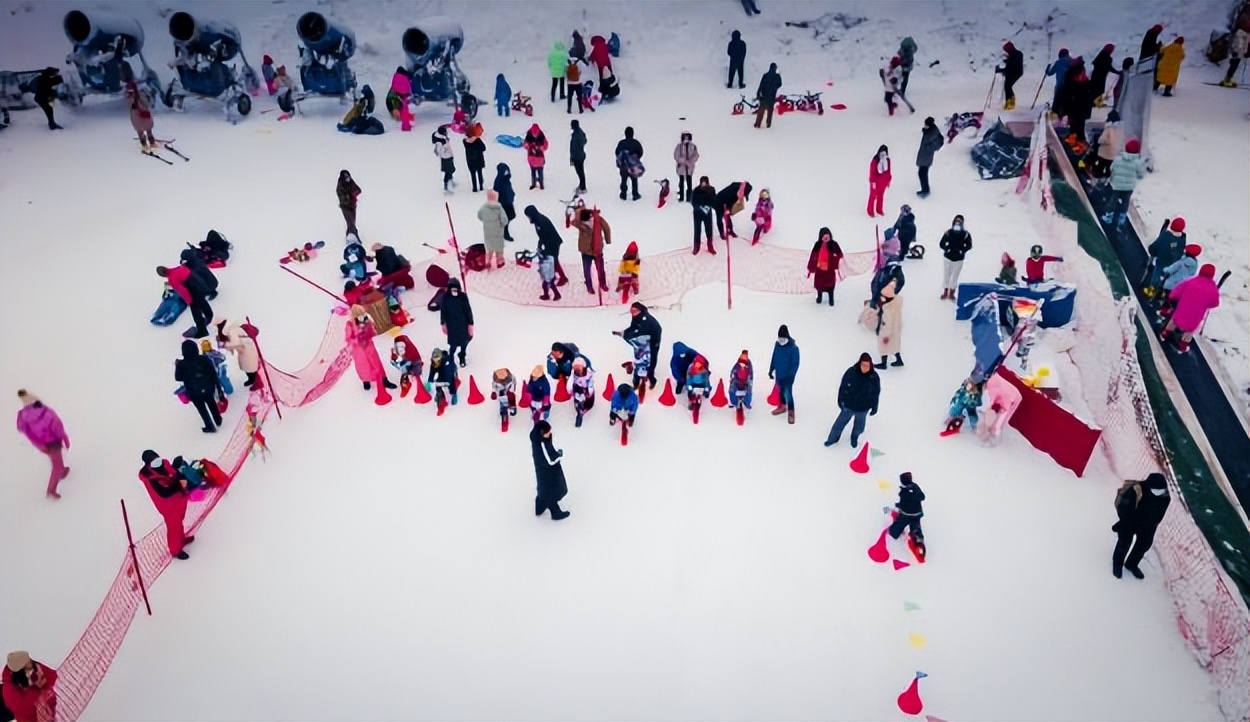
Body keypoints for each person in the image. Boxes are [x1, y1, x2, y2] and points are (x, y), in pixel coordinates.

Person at [1112, 472, 1170, 578]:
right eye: (1156, 489)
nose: (1159, 492)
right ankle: (1117, 563)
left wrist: (1151, 526)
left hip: (1148, 526)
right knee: (1124, 542)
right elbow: (1124, 510)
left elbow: (1159, 515)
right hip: (1130, 521)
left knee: (1144, 545)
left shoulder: (1165, 497)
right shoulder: (1135, 491)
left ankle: (1132, 564)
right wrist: (1124, 523)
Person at [138, 450, 194, 560]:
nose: (158, 463)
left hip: (178, 499)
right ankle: (176, 550)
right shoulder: (149, 477)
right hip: (167, 505)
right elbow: (163, 492)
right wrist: (179, 485)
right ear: (148, 465)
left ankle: (181, 539)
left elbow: (175, 473)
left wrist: (181, 477)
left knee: (179, 520)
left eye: (157, 460)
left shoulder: (165, 464)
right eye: (154, 463)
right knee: (173, 526)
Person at [15, 390, 70, 499]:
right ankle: (51, 490)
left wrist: (39, 445)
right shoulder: (48, 413)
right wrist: (65, 438)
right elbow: (57, 428)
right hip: (54, 441)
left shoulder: (23, 416)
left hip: (42, 444)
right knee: (56, 466)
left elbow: (25, 431)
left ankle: (62, 470)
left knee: (55, 458)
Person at [824, 353, 881, 447]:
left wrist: (875, 406)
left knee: (859, 426)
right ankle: (833, 439)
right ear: (859, 364)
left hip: (863, 408)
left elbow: (876, 392)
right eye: (863, 365)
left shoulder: (874, 377)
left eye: (867, 365)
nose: (865, 368)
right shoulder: (851, 372)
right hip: (849, 406)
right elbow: (843, 387)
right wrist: (841, 401)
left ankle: (854, 437)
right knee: (839, 424)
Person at [1161, 264, 1220, 352]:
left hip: (1182, 310)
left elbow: (1177, 291)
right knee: (1189, 331)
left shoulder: (1191, 281)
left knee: (1174, 321)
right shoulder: (1213, 289)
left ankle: (1165, 333)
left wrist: (1172, 296)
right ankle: (1183, 344)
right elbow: (1215, 303)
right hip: (1196, 316)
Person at [175, 339, 224, 433]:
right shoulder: (204, 358)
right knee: (212, 403)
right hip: (208, 386)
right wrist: (217, 385)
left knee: (202, 409)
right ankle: (218, 419)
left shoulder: (182, 364)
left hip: (194, 391)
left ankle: (209, 425)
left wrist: (177, 366)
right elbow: (212, 372)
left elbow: (178, 378)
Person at [346, 305, 395, 399]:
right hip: (359, 350)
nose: (362, 316)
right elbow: (349, 339)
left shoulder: (366, 321)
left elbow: (373, 332)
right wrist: (358, 339)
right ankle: (365, 380)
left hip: (369, 346)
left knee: (376, 363)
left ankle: (384, 380)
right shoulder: (350, 324)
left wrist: (370, 327)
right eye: (360, 315)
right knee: (363, 366)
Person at [157, 263, 213, 338]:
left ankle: (202, 331)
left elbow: (183, 291)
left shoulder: (172, 279)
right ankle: (209, 314)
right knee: (201, 300)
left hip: (192, 289)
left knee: (195, 310)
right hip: (199, 284)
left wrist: (189, 301)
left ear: (163, 275)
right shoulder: (179, 268)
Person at [615, 302, 663, 388]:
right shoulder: (636, 317)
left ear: (640, 310)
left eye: (634, 311)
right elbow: (633, 327)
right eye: (631, 310)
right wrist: (625, 332)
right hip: (641, 345)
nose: (632, 313)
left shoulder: (647, 321)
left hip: (652, 343)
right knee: (638, 363)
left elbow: (641, 333)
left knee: (651, 362)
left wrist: (625, 336)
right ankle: (636, 383)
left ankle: (652, 380)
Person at [530, 421, 570, 520]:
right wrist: (558, 455)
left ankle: (539, 508)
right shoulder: (542, 444)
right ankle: (556, 513)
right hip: (549, 473)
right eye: (548, 432)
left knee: (543, 491)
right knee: (551, 493)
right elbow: (550, 460)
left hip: (542, 471)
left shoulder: (536, 440)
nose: (550, 433)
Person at [3, 650, 58, 722]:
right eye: (27, 666)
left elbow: (53, 676)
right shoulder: (9, 688)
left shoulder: (36, 668)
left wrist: (43, 679)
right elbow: (23, 710)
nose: (31, 665)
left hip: (49, 715)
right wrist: (36, 690)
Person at [1102, 138, 1146, 227]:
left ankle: (1108, 216)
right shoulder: (1138, 163)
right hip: (1129, 187)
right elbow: (1141, 174)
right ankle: (1121, 218)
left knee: (1113, 200)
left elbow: (1112, 168)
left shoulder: (1118, 159)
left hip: (1116, 185)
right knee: (1125, 201)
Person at [524, 205, 570, 289]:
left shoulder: (541, 222)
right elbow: (542, 236)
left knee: (554, 260)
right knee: (551, 259)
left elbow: (545, 236)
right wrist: (540, 245)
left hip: (553, 243)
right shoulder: (538, 221)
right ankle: (553, 274)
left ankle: (563, 277)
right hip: (549, 243)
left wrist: (543, 247)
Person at [573, 207, 612, 294]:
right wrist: (579, 211)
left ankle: (601, 284)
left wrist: (608, 239)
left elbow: (606, 228)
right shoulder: (581, 223)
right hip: (586, 251)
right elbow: (573, 222)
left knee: (598, 269)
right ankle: (590, 285)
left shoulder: (597, 220)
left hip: (596, 250)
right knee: (588, 270)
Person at [1144, 217, 1186, 297]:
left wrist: (1153, 251)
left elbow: (1155, 246)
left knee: (1156, 275)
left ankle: (1151, 291)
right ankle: (1162, 290)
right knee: (1167, 276)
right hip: (1174, 262)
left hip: (1162, 260)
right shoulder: (1182, 239)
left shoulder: (1166, 236)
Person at [768, 324, 800, 423]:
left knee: (788, 393)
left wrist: (791, 376)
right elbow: (774, 357)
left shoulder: (794, 349)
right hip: (779, 374)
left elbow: (795, 364)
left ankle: (791, 411)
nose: (781, 341)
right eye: (779, 339)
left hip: (788, 377)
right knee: (781, 391)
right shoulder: (777, 345)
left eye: (783, 339)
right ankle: (782, 406)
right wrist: (771, 369)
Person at [872, 274, 905, 368]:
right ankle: (899, 359)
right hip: (896, 327)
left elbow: (887, 324)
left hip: (888, 331)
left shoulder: (888, 309)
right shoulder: (897, 301)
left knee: (884, 346)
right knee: (895, 345)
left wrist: (885, 335)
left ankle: (883, 363)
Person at [440, 278, 474, 367]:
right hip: (451, 325)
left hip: (463, 324)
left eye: (456, 289)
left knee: (464, 342)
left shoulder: (463, 297)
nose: (454, 291)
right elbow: (443, 311)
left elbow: (468, 311)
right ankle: (450, 356)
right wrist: (443, 323)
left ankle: (462, 356)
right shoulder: (446, 298)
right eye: (452, 289)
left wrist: (470, 324)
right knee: (453, 344)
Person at [887, 472, 925, 551]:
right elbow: (922, 497)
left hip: (906, 514)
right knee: (916, 527)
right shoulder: (915, 487)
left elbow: (903, 504)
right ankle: (918, 540)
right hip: (918, 513)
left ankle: (894, 533)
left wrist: (898, 505)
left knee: (898, 526)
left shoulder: (904, 492)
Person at [938, 214, 972, 300]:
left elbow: (969, 245)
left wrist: (962, 251)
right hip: (948, 257)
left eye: (960, 221)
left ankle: (952, 292)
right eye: (956, 221)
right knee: (947, 274)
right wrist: (947, 249)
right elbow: (941, 243)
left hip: (959, 259)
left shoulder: (965, 234)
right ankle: (945, 291)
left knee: (955, 275)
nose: (958, 223)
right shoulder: (948, 232)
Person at [807, 228, 843, 306]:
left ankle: (831, 299)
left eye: (827, 236)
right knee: (819, 285)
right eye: (824, 236)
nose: (826, 238)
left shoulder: (834, 244)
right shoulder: (817, 244)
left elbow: (840, 255)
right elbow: (812, 255)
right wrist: (811, 267)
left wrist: (835, 260)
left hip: (829, 270)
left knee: (830, 286)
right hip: (819, 270)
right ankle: (819, 297)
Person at [221, 321, 259, 387]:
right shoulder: (234, 329)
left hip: (245, 348)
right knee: (249, 365)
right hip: (245, 347)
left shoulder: (231, 332)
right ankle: (252, 379)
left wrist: (225, 345)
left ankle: (254, 380)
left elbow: (235, 342)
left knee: (249, 365)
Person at [478, 190, 509, 270]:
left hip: (488, 231)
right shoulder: (499, 208)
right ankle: (499, 262)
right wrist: (501, 225)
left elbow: (479, 216)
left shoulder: (484, 207)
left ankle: (488, 262)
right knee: (499, 248)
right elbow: (504, 220)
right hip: (498, 231)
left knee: (489, 248)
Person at [1221, 4, 1250, 87]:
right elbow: (1244, 23)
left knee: (1237, 57)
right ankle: (1228, 77)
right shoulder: (1246, 10)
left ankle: (1229, 76)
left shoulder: (1245, 9)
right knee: (1236, 57)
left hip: (1242, 35)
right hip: (1242, 35)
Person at [614, 126, 645, 201]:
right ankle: (635, 194)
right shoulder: (636, 143)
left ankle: (623, 193)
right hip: (633, 165)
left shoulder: (621, 143)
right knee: (634, 179)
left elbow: (617, 152)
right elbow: (640, 151)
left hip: (624, 165)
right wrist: (635, 159)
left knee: (623, 179)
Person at [1091, 109, 1123, 178]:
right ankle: (1108, 177)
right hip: (1115, 154)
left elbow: (1102, 139)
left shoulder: (1108, 129)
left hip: (1104, 154)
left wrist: (1099, 140)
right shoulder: (1121, 130)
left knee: (1100, 166)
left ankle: (1097, 175)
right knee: (1109, 168)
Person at [916, 116, 943, 197]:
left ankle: (925, 190)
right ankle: (925, 189)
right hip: (924, 155)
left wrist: (929, 148)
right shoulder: (930, 131)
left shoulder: (932, 133)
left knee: (922, 173)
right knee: (922, 173)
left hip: (927, 156)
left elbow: (938, 144)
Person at [690, 176, 718, 254]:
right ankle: (696, 246)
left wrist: (709, 206)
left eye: (705, 182)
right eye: (702, 182)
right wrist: (700, 207)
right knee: (697, 230)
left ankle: (710, 245)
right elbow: (693, 202)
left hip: (707, 213)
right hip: (697, 213)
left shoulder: (711, 190)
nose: (703, 184)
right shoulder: (696, 190)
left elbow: (714, 201)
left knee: (709, 230)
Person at [126, 79, 156, 150]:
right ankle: (152, 142)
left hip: (136, 117)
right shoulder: (141, 95)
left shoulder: (130, 97)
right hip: (145, 116)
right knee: (149, 130)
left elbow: (131, 107)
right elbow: (146, 104)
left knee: (140, 132)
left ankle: (144, 145)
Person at [996, 41, 1024, 110]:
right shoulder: (1018, 53)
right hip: (1018, 72)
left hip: (1012, 73)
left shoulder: (1013, 56)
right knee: (1008, 87)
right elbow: (1014, 62)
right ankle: (1010, 103)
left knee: (1007, 87)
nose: (1006, 52)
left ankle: (1010, 104)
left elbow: (1010, 68)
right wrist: (1007, 60)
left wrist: (999, 70)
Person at [564, 119, 589, 193]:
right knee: (580, 171)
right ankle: (582, 185)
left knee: (580, 172)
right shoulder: (580, 133)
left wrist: (572, 156)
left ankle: (583, 187)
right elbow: (585, 141)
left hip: (577, 156)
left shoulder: (576, 135)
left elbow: (574, 146)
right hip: (580, 155)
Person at [1045, 48, 1072, 117]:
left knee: (1058, 100)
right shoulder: (1072, 61)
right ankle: (1067, 114)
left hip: (1060, 84)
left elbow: (1050, 73)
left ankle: (1057, 114)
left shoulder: (1058, 62)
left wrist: (1047, 68)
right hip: (1070, 85)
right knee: (1067, 100)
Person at [754, 62, 782, 128]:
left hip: (764, 96)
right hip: (772, 96)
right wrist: (775, 88)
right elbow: (780, 84)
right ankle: (768, 124)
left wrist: (758, 93)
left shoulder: (765, 75)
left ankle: (757, 124)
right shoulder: (777, 76)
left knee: (761, 110)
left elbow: (761, 85)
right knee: (770, 111)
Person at [673, 132, 699, 203]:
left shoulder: (693, 146)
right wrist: (684, 161)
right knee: (681, 182)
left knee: (689, 183)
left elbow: (696, 155)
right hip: (681, 167)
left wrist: (691, 161)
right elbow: (676, 156)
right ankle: (681, 197)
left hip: (690, 168)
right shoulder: (679, 146)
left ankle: (689, 197)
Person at [493, 163, 516, 241]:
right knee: (507, 218)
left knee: (511, 216)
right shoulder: (499, 181)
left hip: (508, 202)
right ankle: (504, 232)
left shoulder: (506, 180)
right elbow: (496, 192)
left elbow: (509, 189)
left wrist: (512, 195)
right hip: (503, 203)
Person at [866, 145, 891, 217]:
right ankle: (870, 211)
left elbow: (889, 171)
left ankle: (879, 210)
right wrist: (872, 182)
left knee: (880, 196)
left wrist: (889, 180)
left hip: (883, 181)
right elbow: (872, 172)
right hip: (875, 182)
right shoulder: (875, 161)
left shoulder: (887, 160)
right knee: (873, 196)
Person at [570, 357, 595, 427]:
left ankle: (584, 408)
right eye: (575, 367)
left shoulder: (588, 373)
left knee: (588, 403)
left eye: (578, 367)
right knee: (578, 402)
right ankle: (579, 413)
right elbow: (570, 384)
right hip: (578, 390)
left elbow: (591, 383)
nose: (576, 369)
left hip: (587, 390)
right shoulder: (573, 374)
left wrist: (589, 391)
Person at [523, 124, 548, 190]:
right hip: (532, 158)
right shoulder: (528, 136)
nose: (535, 135)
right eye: (534, 134)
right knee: (533, 172)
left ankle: (541, 183)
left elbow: (546, 145)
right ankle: (533, 183)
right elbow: (525, 144)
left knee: (540, 172)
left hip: (539, 158)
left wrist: (542, 147)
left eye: (536, 134)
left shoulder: (542, 137)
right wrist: (528, 146)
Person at [432, 125, 456, 193]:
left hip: (449, 156)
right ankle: (446, 188)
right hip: (446, 158)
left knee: (451, 169)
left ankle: (451, 181)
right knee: (447, 172)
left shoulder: (443, 138)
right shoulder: (440, 142)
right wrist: (445, 151)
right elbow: (439, 151)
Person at [463, 123, 487, 192]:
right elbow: (484, 148)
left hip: (470, 161)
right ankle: (481, 186)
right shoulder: (477, 141)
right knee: (480, 173)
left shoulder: (465, 142)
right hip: (479, 159)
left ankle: (474, 188)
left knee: (472, 174)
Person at [337, 170, 361, 237]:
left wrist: (354, 193)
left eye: (349, 177)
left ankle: (349, 236)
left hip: (353, 206)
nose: (348, 179)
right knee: (351, 224)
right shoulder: (340, 186)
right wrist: (349, 197)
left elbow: (358, 189)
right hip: (345, 207)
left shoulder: (351, 182)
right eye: (346, 178)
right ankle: (355, 236)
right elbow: (342, 198)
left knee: (352, 223)